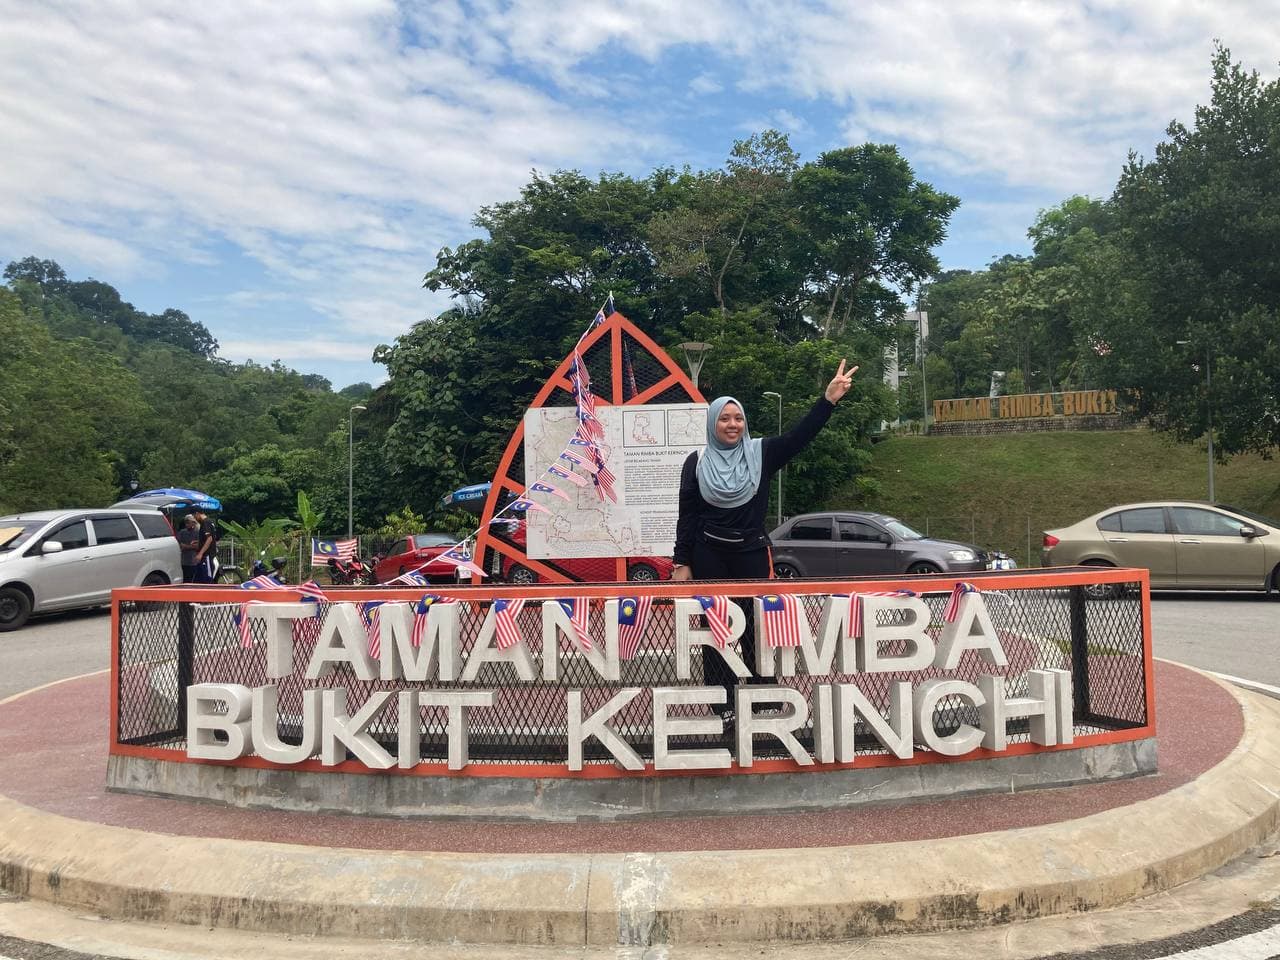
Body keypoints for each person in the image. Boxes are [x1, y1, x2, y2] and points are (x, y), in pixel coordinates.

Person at [672, 360, 858, 721]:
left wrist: (828, 401)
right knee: (716, 633)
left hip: (752, 553)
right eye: (724, 419)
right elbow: (687, 516)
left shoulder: (761, 453)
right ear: (713, 423)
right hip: (708, 553)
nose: (732, 425)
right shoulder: (695, 462)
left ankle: (765, 701)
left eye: (738, 418)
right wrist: (682, 562)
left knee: (757, 630)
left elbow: (798, 437)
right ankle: (723, 705)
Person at [191, 509, 217, 583]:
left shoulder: (205, 523)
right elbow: (208, 537)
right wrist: (198, 541)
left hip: (207, 555)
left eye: (194, 516)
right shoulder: (209, 522)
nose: (194, 518)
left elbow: (209, 539)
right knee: (199, 577)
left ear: (197, 513)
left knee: (207, 578)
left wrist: (200, 554)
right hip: (205, 556)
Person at [177, 514, 202, 583]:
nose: (187, 524)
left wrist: (186, 546)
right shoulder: (182, 532)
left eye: (188, 522)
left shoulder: (197, 532)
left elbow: (198, 546)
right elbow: (179, 544)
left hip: (193, 561)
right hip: (184, 561)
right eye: (186, 522)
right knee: (185, 578)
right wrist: (188, 546)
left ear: (193, 523)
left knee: (192, 579)